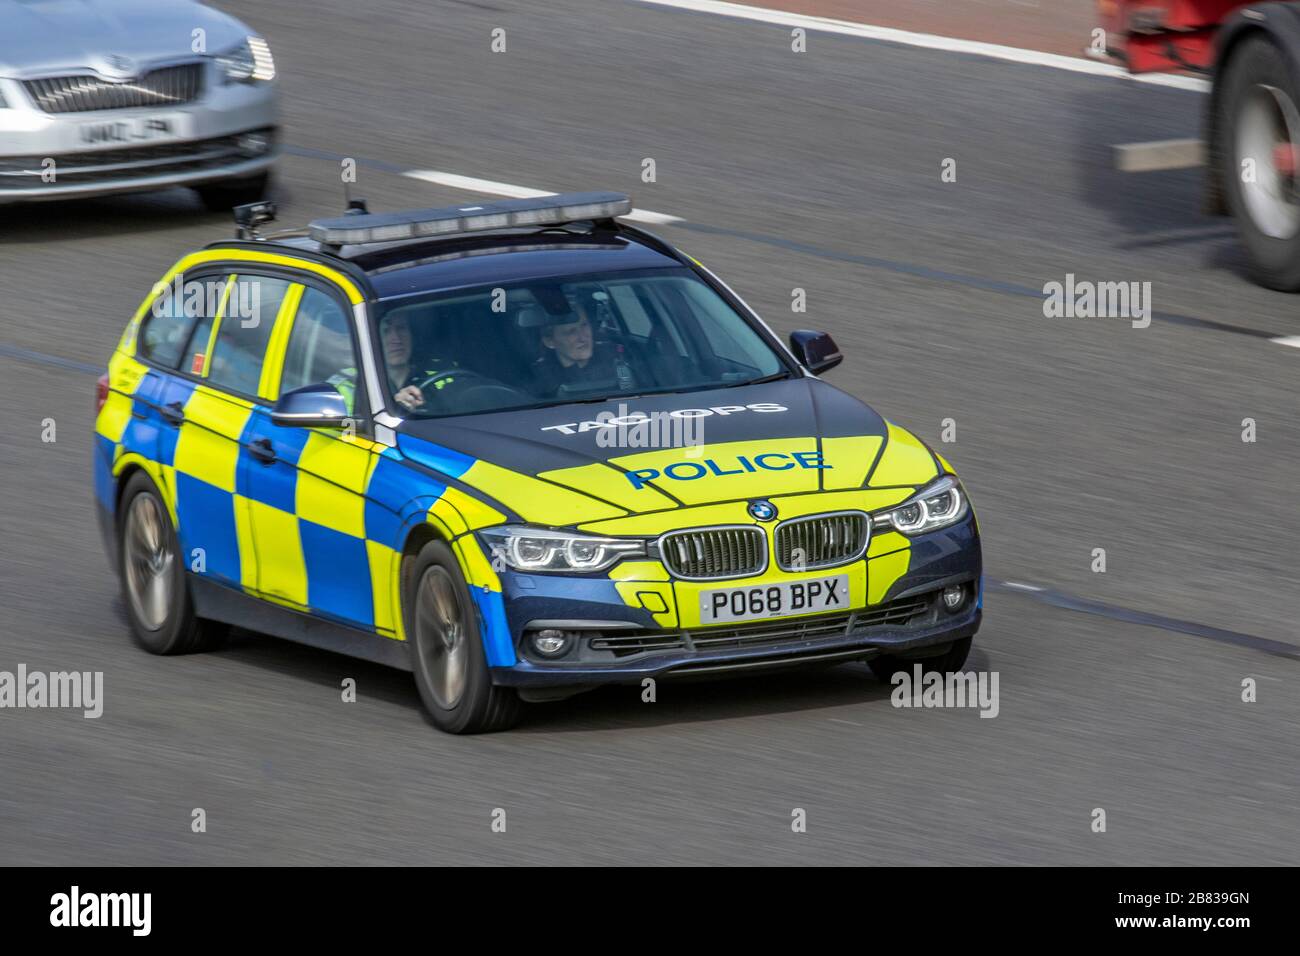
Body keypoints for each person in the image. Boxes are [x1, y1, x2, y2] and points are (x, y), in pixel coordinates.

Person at [329, 311, 455, 414]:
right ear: (372, 339)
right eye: (386, 331)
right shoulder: (347, 385)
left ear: (412, 334)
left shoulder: (442, 380)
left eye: (401, 328)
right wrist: (393, 409)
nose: (396, 339)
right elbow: (347, 435)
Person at [532, 298, 633, 396]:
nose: (583, 337)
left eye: (584, 325)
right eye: (571, 331)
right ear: (549, 341)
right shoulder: (540, 380)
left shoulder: (615, 359)